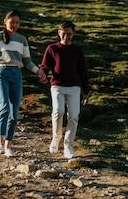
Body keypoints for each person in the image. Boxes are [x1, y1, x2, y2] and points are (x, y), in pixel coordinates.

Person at [0, 9, 40, 157]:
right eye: (12, 22)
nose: (15, 25)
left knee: (14, 112)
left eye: (17, 22)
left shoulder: (22, 39)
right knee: (3, 105)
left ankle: (8, 145)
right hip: (1, 72)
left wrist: (38, 71)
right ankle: (0, 144)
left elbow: (28, 62)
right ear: (5, 22)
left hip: (16, 74)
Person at [39, 20, 90, 159]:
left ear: (73, 34)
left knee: (73, 116)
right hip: (57, 85)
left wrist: (86, 91)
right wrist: (42, 73)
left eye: (69, 34)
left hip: (74, 87)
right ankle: (56, 138)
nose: (66, 37)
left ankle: (68, 145)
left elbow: (83, 71)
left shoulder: (77, 50)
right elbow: (44, 65)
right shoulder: (52, 48)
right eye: (63, 33)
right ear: (59, 33)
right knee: (58, 111)